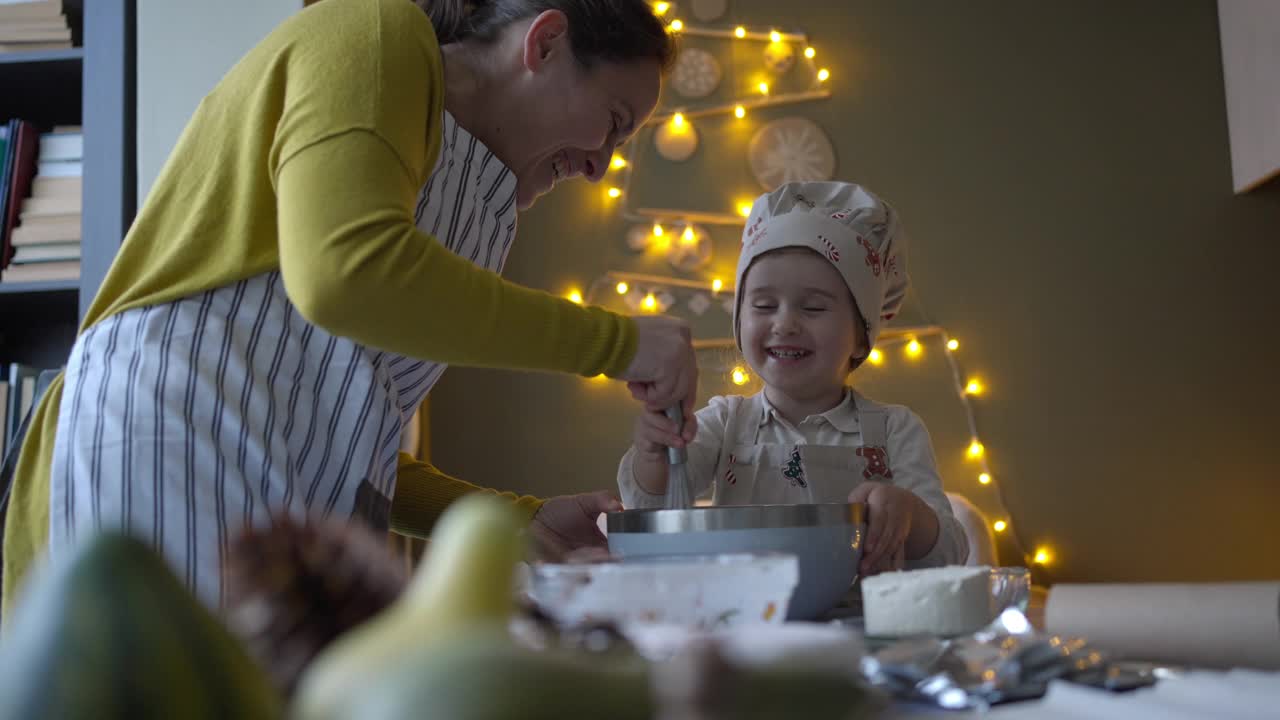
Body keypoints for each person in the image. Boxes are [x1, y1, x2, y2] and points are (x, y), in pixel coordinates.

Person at [1, 0, 700, 615]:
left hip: (268, 483)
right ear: (544, 42)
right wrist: (617, 343)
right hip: (168, 436)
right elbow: (343, 275)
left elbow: (349, 439)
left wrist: (520, 521)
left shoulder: (478, 207)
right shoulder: (375, 35)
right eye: (611, 123)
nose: (598, 166)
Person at [618, 181, 967, 576]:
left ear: (860, 336)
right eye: (764, 305)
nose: (785, 323)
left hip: (861, 627)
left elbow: (950, 551)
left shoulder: (895, 430)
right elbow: (656, 507)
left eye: (814, 307)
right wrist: (653, 454)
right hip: (747, 625)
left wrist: (910, 516)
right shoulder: (724, 423)